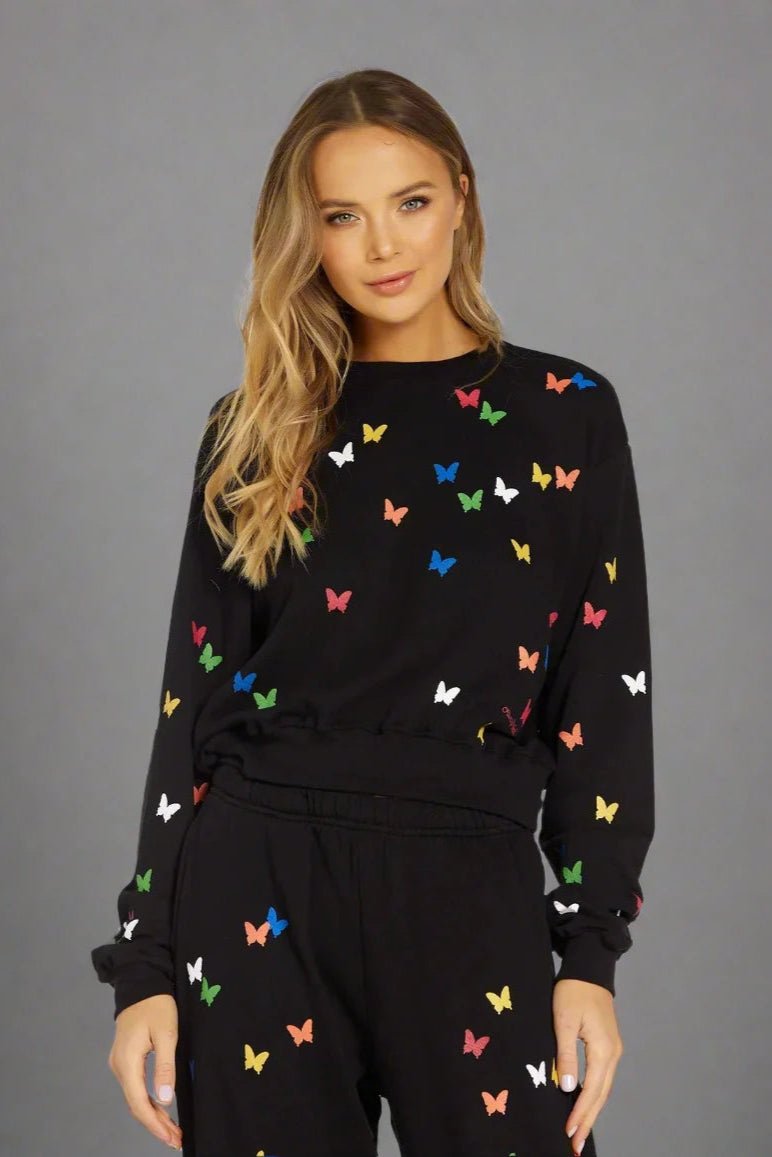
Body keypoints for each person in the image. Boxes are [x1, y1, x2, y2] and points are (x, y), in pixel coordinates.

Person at [90, 67, 654, 1157]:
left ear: (461, 198)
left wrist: (589, 953)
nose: (383, 245)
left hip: (468, 884)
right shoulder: (255, 428)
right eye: (341, 216)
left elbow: (602, 694)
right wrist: (145, 965)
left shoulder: (567, 416)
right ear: (306, 236)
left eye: (411, 202)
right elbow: (190, 701)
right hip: (259, 887)